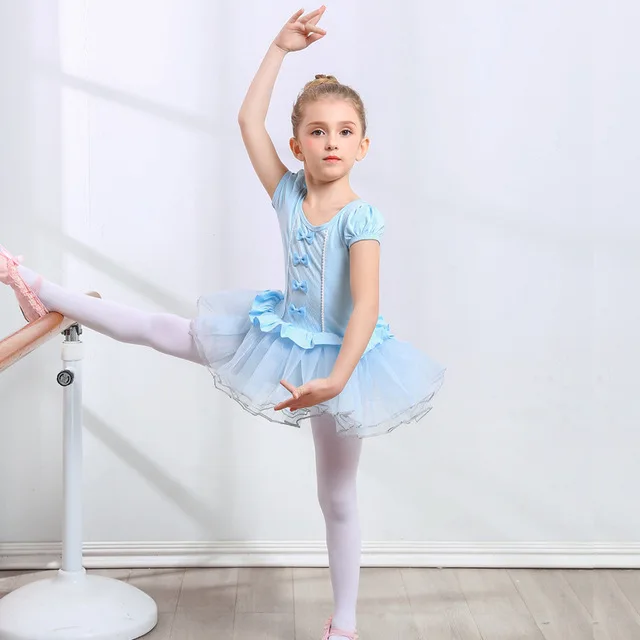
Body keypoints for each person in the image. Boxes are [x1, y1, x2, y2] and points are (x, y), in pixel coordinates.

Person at [1, 7, 445, 638]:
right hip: (276, 335)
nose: (331, 143)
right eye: (318, 132)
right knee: (165, 329)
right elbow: (247, 120)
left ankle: (343, 625)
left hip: (346, 360)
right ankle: (41, 286)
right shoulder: (288, 192)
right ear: (297, 145)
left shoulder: (360, 218)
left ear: (363, 145)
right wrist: (278, 48)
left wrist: (339, 379)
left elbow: (367, 306)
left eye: (346, 132)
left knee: (337, 495)